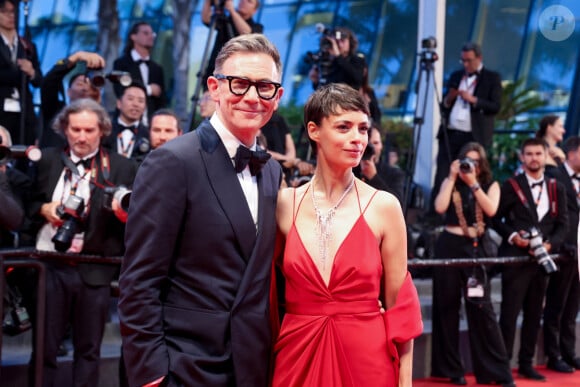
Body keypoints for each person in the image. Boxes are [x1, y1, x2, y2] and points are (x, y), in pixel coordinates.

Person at [118, 33, 284, 387]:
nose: (252, 97)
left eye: (265, 87)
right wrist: (150, 373)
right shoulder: (173, 161)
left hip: (251, 364)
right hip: (184, 365)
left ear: (278, 96)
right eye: (240, 84)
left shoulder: (272, 170)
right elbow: (139, 280)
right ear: (214, 87)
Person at [272, 83, 422, 387]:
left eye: (363, 129)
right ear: (314, 131)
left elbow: (400, 306)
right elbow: (269, 293)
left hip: (366, 359)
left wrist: (404, 381)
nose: (358, 139)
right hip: (297, 353)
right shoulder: (285, 203)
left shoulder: (384, 206)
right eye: (344, 127)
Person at [29, 98, 137, 387]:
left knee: (89, 351)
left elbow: (136, 220)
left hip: (95, 267)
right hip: (50, 266)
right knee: (44, 349)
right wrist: (43, 209)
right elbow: (25, 203)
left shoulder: (122, 167)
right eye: (75, 129)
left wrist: (120, 210)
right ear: (64, 129)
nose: (81, 136)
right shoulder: (48, 161)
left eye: (89, 130)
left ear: (102, 131)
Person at [429, 142, 514, 387]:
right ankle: (451, 369)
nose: (470, 164)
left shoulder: (490, 184)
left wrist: (472, 182)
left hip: (476, 249)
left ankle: (496, 372)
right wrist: (452, 176)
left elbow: (491, 209)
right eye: (466, 159)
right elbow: (439, 207)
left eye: (475, 161)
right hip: (449, 246)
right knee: (446, 308)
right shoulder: (450, 180)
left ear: (482, 164)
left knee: (482, 311)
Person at [493, 137, 568, 382]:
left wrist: (550, 244)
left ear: (545, 155)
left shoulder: (557, 187)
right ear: (522, 157)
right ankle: (502, 368)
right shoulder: (510, 185)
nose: (534, 158)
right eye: (529, 154)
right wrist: (514, 237)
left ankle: (526, 363)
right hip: (516, 260)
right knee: (509, 314)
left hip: (543, 261)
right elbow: (496, 219)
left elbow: (563, 225)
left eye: (538, 153)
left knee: (535, 315)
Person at [432, 42, 502, 214]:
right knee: (444, 172)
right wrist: (451, 97)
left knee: (472, 172)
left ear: (479, 58)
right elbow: (444, 105)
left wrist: (474, 100)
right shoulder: (456, 76)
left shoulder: (492, 78)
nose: (465, 64)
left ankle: (471, 212)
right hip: (451, 133)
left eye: (469, 61)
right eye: (463, 60)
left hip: (473, 136)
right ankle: (435, 215)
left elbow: (495, 106)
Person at [542, 136, 580, 372]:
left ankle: (569, 352)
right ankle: (553, 355)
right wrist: (558, 243)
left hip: (579, 251)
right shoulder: (555, 177)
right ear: (573, 153)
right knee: (556, 305)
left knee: (573, 307)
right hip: (563, 250)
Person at [39, 51, 105, 148]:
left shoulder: (101, 119)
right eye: (80, 84)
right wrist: (76, 57)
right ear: (68, 92)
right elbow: (48, 83)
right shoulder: (55, 110)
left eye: (90, 86)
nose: (85, 88)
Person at [0, 0, 42, 145]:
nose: (10, 16)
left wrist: (31, 72)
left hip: (24, 112)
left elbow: (39, 80)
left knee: (23, 150)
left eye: (13, 12)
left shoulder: (27, 45)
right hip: (2, 108)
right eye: (5, 12)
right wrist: (18, 74)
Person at [201, 0, 263, 90]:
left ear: (254, 11)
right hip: (214, 73)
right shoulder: (226, 20)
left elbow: (248, 35)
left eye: (249, 1)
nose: (244, 2)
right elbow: (206, 19)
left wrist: (232, 10)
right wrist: (208, 2)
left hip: (235, 78)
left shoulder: (257, 27)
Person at [113, 22, 166, 122]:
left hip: (151, 123)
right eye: (146, 33)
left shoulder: (157, 68)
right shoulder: (121, 64)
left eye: (152, 34)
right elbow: (121, 90)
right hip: (126, 121)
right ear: (133, 36)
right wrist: (149, 89)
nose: (151, 36)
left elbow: (161, 100)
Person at [102, 81, 150, 161]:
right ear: (119, 103)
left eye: (140, 101)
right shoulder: (105, 131)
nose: (135, 104)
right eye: (130, 99)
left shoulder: (148, 134)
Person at [358, 125, 405, 203]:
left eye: (376, 143)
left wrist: (373, 177)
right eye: (368, 143)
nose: (372, 147)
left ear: (381, 145)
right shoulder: (349, 170)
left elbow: (397, 205)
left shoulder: (394, 174)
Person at [260, 111, 297, 183]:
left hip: (285, 174)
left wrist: (291, 159)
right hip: (267, 172)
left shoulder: (280, 120)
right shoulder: (256, 119)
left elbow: (291, 149)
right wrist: (288, 159)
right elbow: (259, 150)